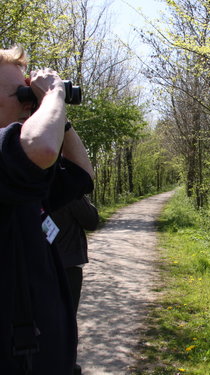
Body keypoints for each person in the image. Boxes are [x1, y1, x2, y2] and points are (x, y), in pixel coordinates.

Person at [0, 45, 94, 374]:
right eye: (21, 93)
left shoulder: (17, 172)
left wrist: (58, 116)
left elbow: (82, 174)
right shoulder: (10, 156)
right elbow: (41, 147)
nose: (29, 101)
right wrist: (54, 95)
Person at [51, 195, 99, 375]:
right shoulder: (67, 189)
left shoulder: (32, 184)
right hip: (68, 263)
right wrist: (84, 197)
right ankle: (67, 365)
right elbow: (91, 220)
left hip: (38, 261)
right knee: (67, 318)